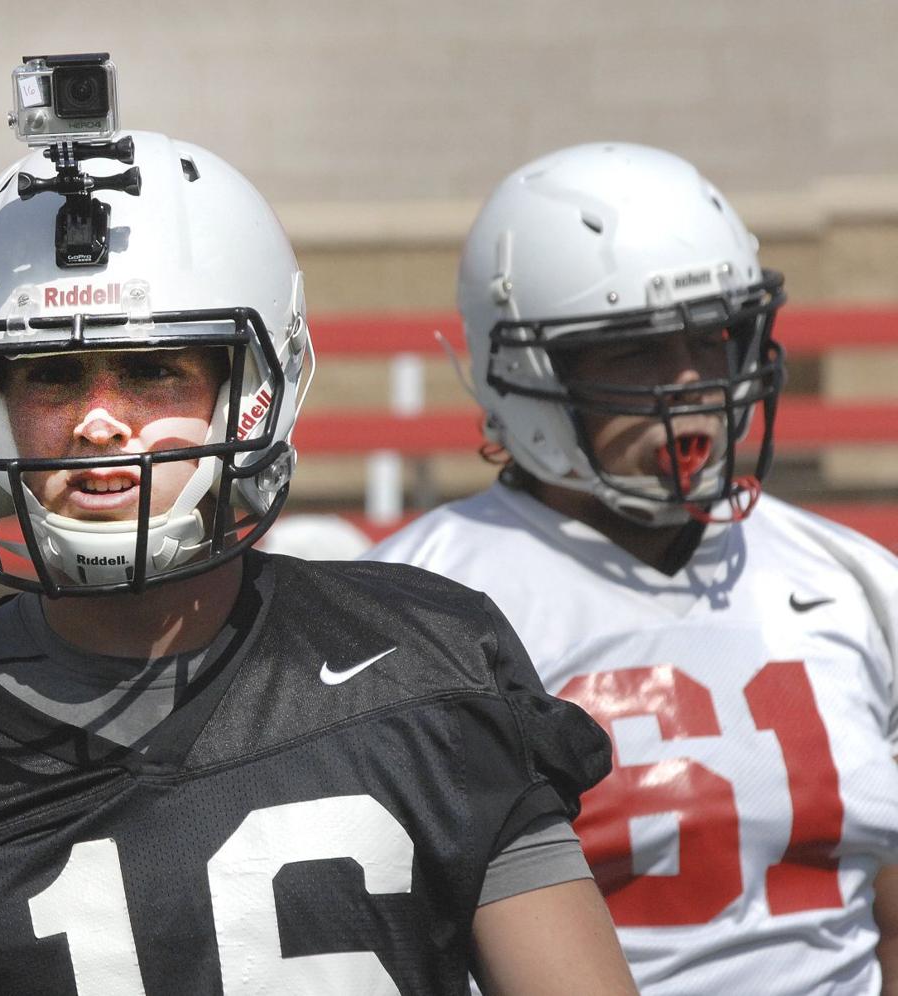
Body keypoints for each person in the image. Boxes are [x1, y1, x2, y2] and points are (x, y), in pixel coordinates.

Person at [0, 70, 636, 994]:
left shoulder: (430, 670)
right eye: (50, 377)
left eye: (152, 372)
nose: (98, 422)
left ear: (251, 392)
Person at [367, 141, 898, 994]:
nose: (691, 383)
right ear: (525, 373)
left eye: (711, 338)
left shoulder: (856, 583)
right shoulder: (416, 606)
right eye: (632, 350)